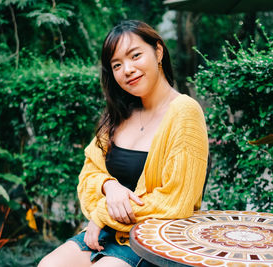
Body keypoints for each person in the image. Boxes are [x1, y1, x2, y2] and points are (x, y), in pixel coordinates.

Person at [38, 20, 208, 267]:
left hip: (153, 236)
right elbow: (88, 174)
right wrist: (109, 186)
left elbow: (175, 201)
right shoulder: (118, 114)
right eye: (116, 65)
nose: (127, 69)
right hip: (108, 232)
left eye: (135, 55)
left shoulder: (184, 111)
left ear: (158, 52)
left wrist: (101, 215)